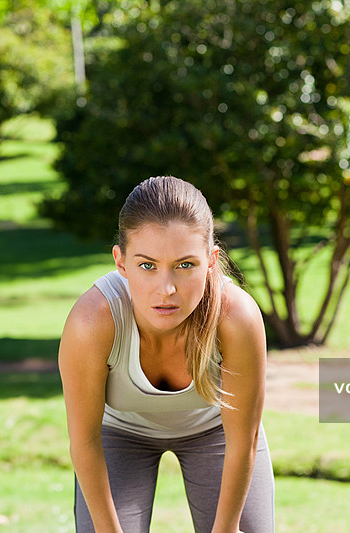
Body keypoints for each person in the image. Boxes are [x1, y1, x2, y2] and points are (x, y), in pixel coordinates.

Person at [58, 176, 274, 533]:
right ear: (121, 262)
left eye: (185, 265)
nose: (167, 289)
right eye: (147, 265)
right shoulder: (93, 321)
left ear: (211, 260)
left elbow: (242, 440)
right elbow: (84, 441)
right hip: (119, 434)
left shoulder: (236, 318)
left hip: (217, 433)